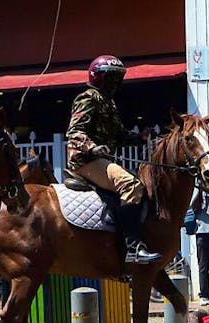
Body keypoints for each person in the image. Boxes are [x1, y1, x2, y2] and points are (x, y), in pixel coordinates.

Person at [65, 54, 160, 264]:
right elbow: (74, 132)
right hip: (86, 161)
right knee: (131, 185)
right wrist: (92, 147)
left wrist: (139, 138)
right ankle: (134, 248)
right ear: (99, 78)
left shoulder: (109, 103)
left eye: (118, 79)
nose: (116, 84)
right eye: (112, 79)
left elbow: (119, 135)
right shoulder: (88, 98)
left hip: (101, 160)